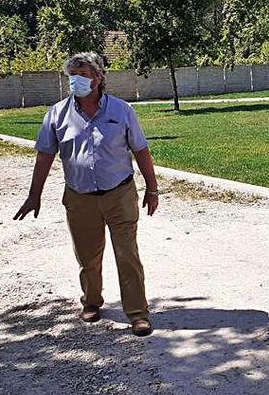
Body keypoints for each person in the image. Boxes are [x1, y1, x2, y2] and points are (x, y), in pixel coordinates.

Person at [13, 52, 159, 337]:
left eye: (83, 74)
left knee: (127, 254)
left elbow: (140, 150)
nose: (76, 80)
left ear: (99, 77)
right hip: (79, 197)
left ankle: (138, 314)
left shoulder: (121, 110)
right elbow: (45, 156)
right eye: (73, 75)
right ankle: (91, 302)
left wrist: (152, 189)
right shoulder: (56, 114)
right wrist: (34, 195)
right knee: (88, 257)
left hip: (119, 193)